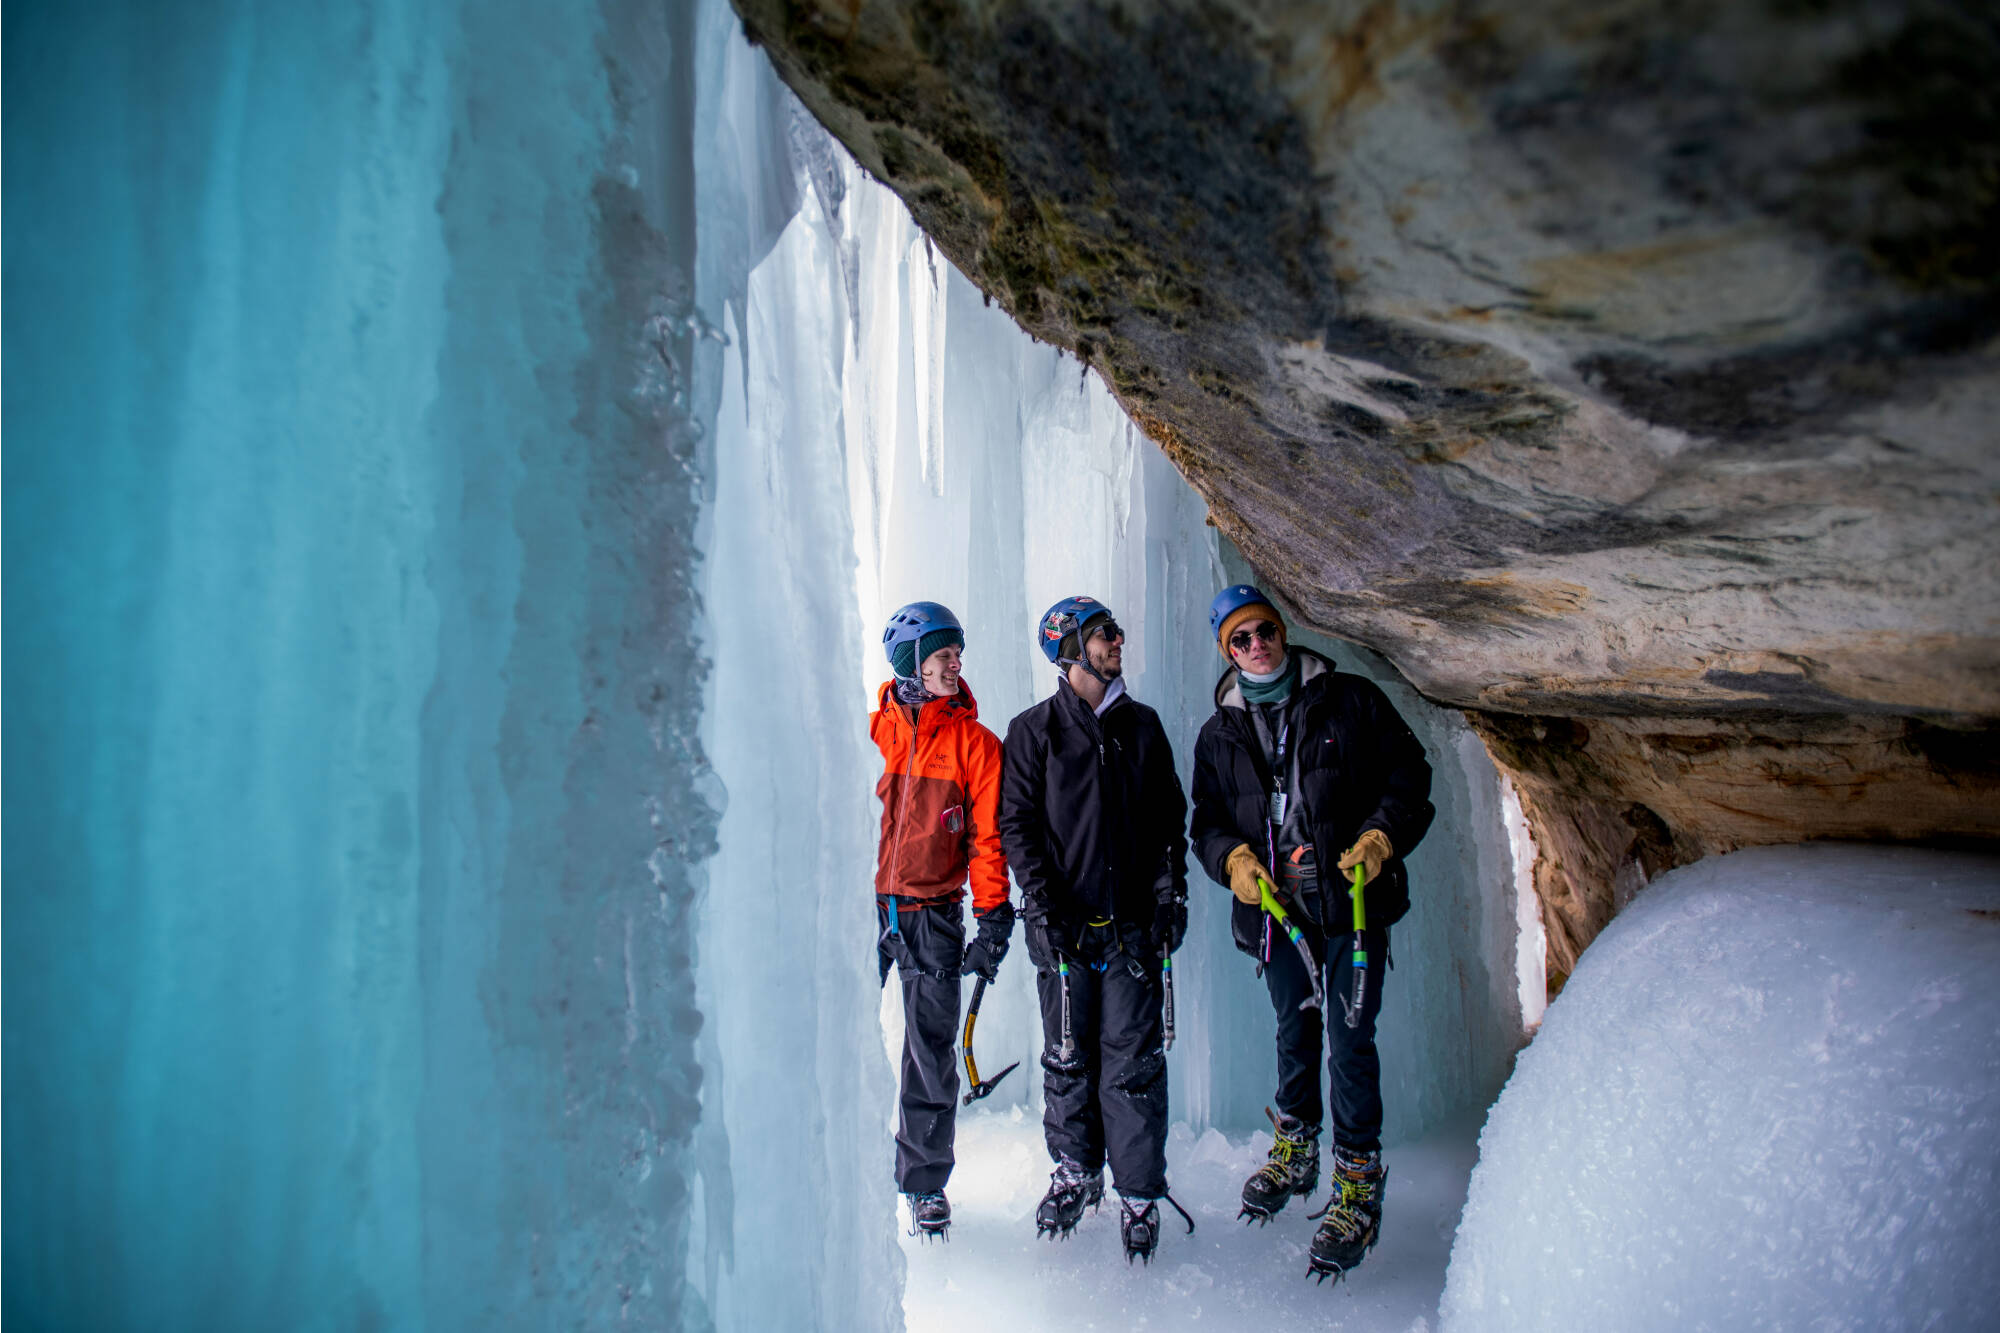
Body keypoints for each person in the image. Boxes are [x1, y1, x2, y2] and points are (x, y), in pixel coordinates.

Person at [1189, 585, 1435, 1282]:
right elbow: (1206, 822)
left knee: (1349, 1038)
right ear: (1228, 653)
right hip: (1276, 913)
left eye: (1263, 630)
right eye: (1240, 639)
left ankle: (1357, 1179)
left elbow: (1410, 773)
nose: (1256, 645)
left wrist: (1381, 835)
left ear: (1282, 629)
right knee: (1294, 1026)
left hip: (1352, 904)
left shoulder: (1348, 700)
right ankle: (1296, 1145)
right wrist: (1232, 860)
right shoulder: (1220, 735)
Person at [998, 595, 1192, 1264]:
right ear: (1072, 649)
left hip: (1134, 930)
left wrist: (1172, 893)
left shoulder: (1142, 727)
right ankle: (1078, 1169)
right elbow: (1016, 825)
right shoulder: (1033, 733)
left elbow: (1171, 820)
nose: (1117, 640)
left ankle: (1138, 1191)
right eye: (1104, 633)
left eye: (1113, 630)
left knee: (1134, 1064)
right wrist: (1042, 904)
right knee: (1068, 1055)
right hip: (1063, 933)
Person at [871, 601, 1013, 1241]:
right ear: (911, 664)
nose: (955, 666)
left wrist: (992, 917)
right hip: (867, 907)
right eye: (942, 657)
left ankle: (924, 1184)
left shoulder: (977, 746)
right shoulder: (875, 732)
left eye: (956, 656)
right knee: (828, 1024)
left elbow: (989, 842)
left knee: (930, 1050)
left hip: (934, 915)